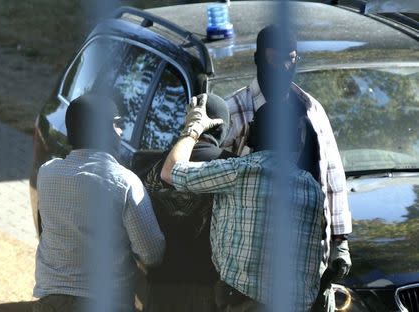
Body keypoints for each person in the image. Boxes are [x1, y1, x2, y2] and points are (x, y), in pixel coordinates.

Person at [222, 25, 352, 311]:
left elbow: (332, 175)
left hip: (308, 259)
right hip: (250, 263)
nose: (282, 66)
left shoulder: (311, 109)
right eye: (273, 58)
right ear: (258, 59)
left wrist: (340, 242)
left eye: (290, 59)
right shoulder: (233, 111)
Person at [161, 94, 325, 311]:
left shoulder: (240, 171)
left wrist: (193, 128)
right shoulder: (313, 189)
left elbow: (170, 172)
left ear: (250, 134)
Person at [33, 93, 165, 311]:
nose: (121, 131)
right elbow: (152, 254)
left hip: (51, 300)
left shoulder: (47, 174)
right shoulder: (124, 182)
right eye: (116, 124)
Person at [140, 94, 237, 312]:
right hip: (208, 290)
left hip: (159, 288)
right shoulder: (233, 168)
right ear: (223, 128)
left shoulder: (155, 166)